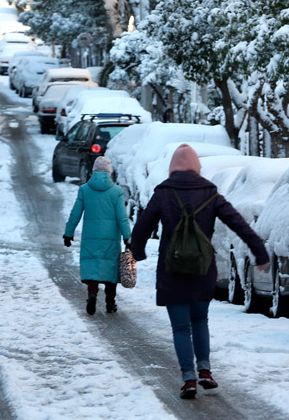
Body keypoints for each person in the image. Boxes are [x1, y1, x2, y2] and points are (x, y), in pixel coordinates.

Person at [130, 144, 269, 400]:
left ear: (173, 166)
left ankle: (188, 378)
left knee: (181, 327)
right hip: (203, 269)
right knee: (200, 320)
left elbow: (141, 227)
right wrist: (259, 252)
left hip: (172, 269)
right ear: (197, 166)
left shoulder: (163, 193)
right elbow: (239, 223)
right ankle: (205, 370)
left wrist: (137, 253)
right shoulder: (210, 193)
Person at [64, 156, 131, 315]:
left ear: (93, 171)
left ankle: (92, 294)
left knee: (93, 267)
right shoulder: (116, 191)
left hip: (91, 237)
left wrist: (68, 233)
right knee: (111, 270)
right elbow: (122, 217)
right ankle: (110, 303)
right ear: (109, 172)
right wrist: (128, 238)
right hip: (111, 237)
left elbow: (75, 214)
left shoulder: (85, 190)